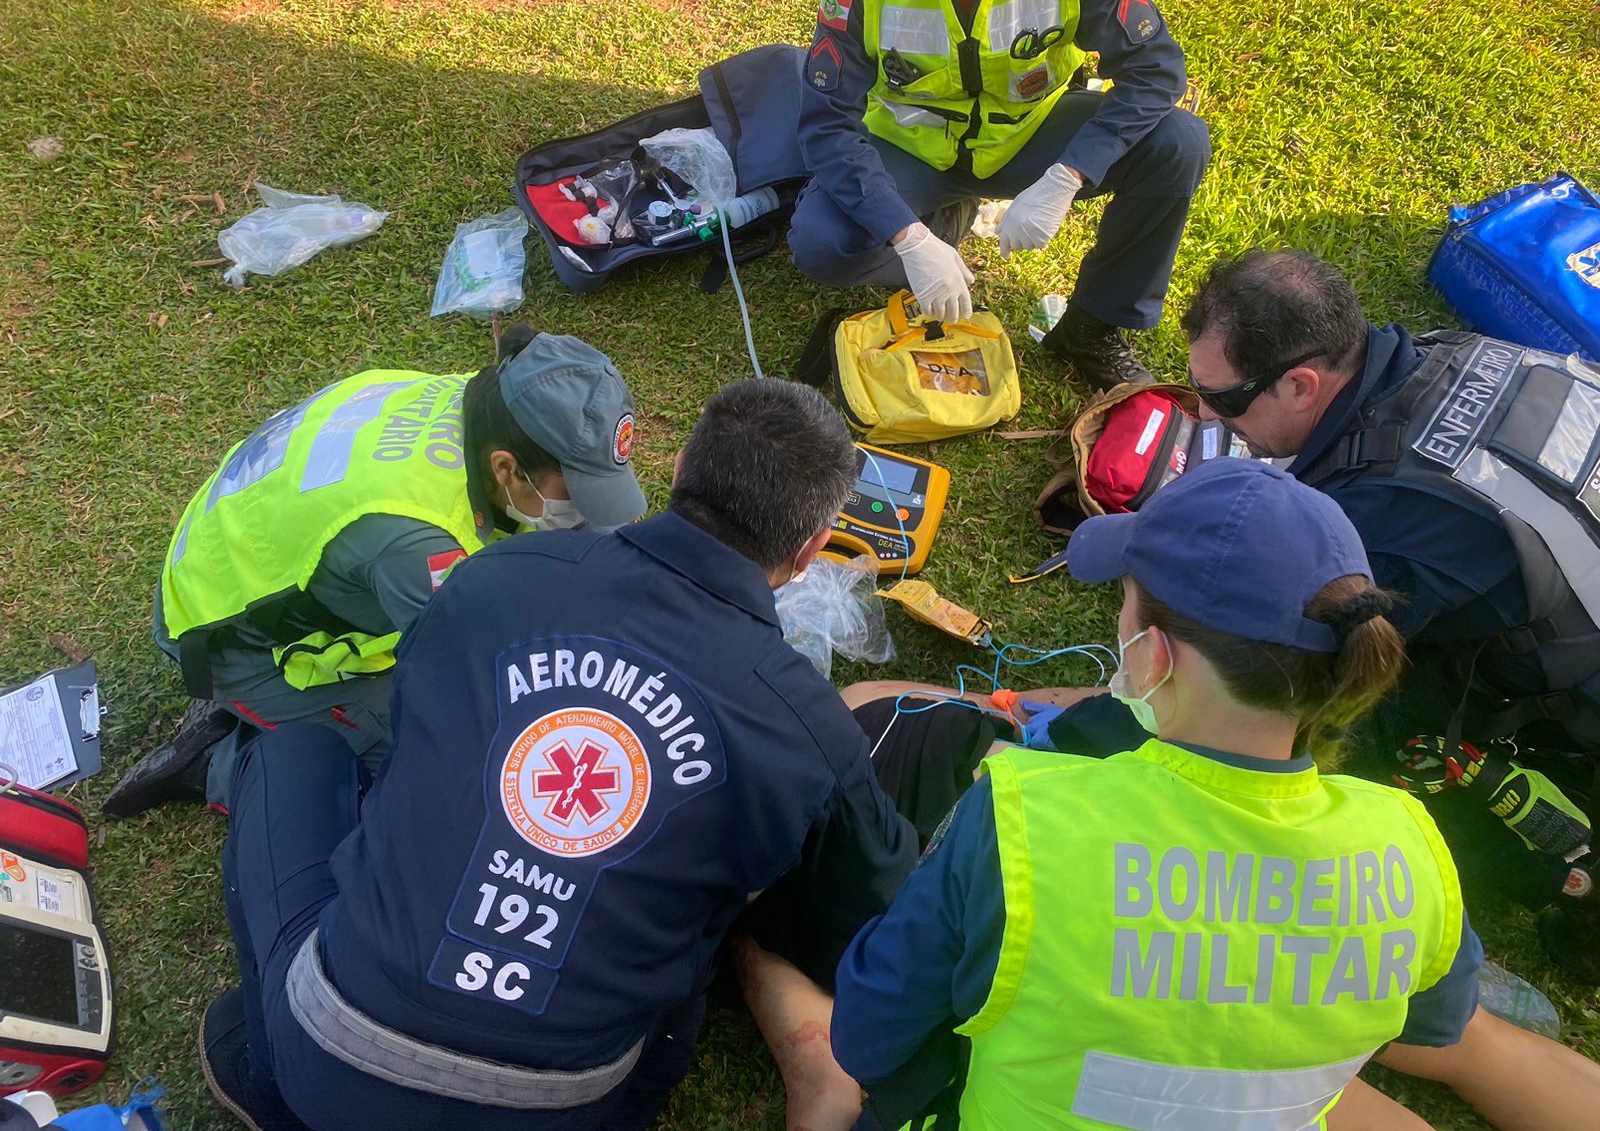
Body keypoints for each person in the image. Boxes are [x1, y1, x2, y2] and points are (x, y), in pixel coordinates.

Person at [201, 378, 918, 1131]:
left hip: (335, 1061)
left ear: (677, 473)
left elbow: (415, 753)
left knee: (293, 753)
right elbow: (872, 913)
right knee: (693, 945)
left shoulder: (499, 577)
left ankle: (271, 1082)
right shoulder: (804, 723)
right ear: (808, 553)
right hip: (572, 1107)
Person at [826, 458, 1490, 1129]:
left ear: (1156, 654)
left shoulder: (1020, 819)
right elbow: (1438, 1023)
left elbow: (867, 1037)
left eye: (1124, 601)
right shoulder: (1409, 845)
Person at [1182, 248, 1600, 976]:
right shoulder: (1455, 353)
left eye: (1221, 400)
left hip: (1575, 688)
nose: (1202, 412)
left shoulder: (1389, 510)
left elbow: (1299, 662)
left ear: (1301, 384)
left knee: (1369, 723)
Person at [103, 326, 647, 818]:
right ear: (506, 468)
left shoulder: (481, 402)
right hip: (227, 632)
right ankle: (220, 763)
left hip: (246, 548)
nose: (581, 510)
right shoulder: (419, 542)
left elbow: (585, 547)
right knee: (426, 764)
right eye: (573, 492)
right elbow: (476, 680)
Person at [792, 0, 1211, 390]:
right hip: (911, 146)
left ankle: (1092, 329)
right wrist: (907, 236)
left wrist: (1068, 174)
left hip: (1031, 133)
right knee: (822, 242)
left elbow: (1155, 69)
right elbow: (828, 121)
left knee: (1179, 143)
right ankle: (939, 225)